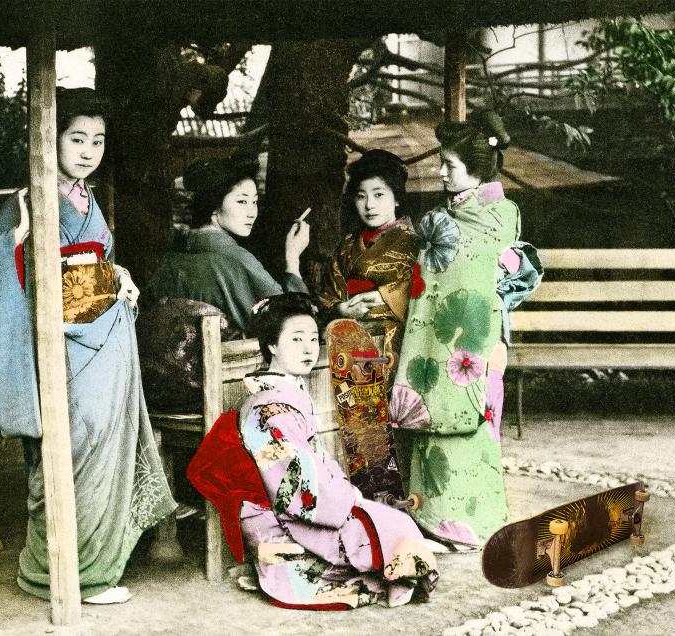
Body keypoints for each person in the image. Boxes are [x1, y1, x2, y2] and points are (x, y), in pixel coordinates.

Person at [0, 87, 175, 605]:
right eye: (77, 138)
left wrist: (118, 274)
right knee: (66, 448)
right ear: (51, 139)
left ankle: (95, 570)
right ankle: (53, 572)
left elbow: (97, 258)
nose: (88, 151)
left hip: (108, 338)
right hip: (62, 344)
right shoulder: (29, 197)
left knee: (105, 447)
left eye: (97, 141)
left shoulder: (88, 197)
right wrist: (16, 236)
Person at [191, 293, 439, 609]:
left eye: (312, 339)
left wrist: (345, 491)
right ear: (272, 346)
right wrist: (343, 499)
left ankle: (396, 570)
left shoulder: (289, 392)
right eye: (296, 339)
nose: (309, 348)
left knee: (392, 523)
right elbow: (292, 478)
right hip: (281, 516)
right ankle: (392, 573)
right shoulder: (269, 408)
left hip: (311, 501)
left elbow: (316, 457)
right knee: (386, 530)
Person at [389, 111, 521, 549]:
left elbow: (500, 282)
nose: (441, 172)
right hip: (436, 340)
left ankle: (474, 523)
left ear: (477, 168)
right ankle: (432, 518)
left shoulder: (502, 215)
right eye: (441, 163)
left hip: (481, 341)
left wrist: (496, 336)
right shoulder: (439, 219)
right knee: (434, 419)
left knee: (476, 427)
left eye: (450, 165)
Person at [143, 156, 311, 333]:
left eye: (254, 202)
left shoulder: (171, 259)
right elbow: (294, 324)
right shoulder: (236, 261)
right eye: (242, 201)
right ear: (214, 205)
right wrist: (293, 259)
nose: (252, 213)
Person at [319, 149, 417, 376]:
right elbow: (327, 293)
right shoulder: (346, 246)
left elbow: (422, 294)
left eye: (379, 194)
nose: (369, 205)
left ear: (397, 198)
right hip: (348, 342)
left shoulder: (413, 244)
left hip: (394, 344)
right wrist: (340, 308)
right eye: (361, 196)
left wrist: (384, 296)